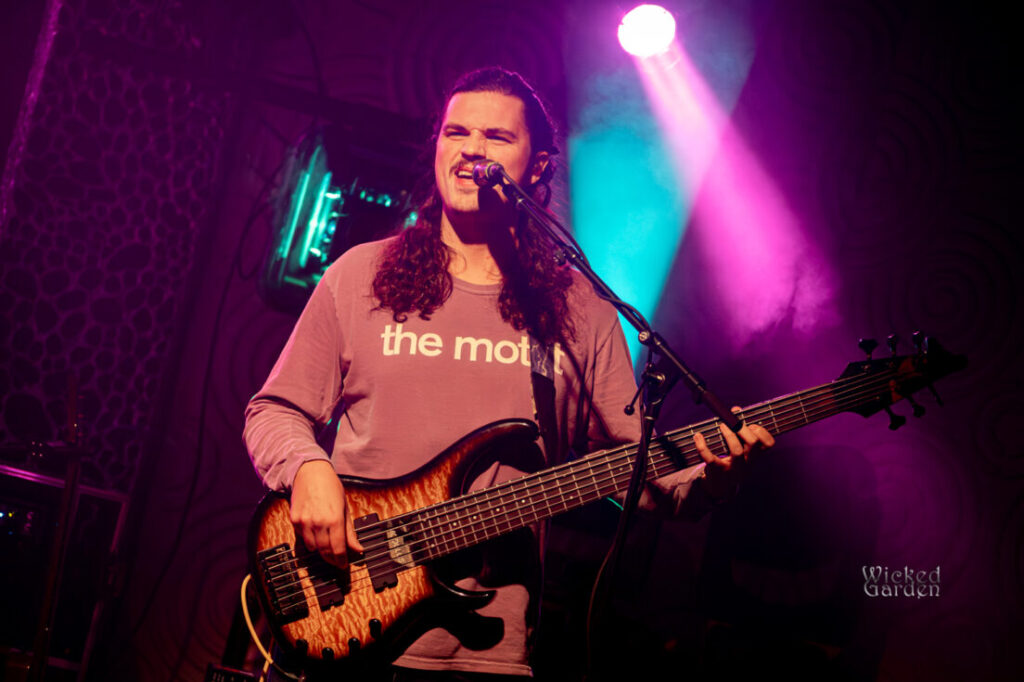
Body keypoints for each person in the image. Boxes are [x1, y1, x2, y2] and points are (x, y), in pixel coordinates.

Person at [244, 67, 774, 681]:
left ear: (538, 166)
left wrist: (710, 481)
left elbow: (631, 473)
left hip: (486, 651)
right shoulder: (360, 275)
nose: (471, 149)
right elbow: (273, 411)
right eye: (456, 133)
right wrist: (307, 470)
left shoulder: (581, 311)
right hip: (344, 621)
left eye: (496, 137)